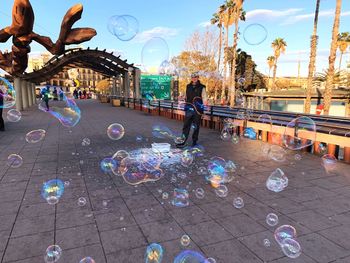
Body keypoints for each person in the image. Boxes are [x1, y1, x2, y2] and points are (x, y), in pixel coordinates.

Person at [176, 72, 207, 148]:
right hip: (189, 109)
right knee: (186, 126)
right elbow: (186, 97)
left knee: (196, 126)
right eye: (193, 77)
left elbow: (204, 98)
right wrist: (181, 98)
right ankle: (182, 141)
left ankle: (194, 141)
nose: (194, 78)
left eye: (195, 77)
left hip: (197, 110)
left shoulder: (202, 87)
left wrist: (204, 108)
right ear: (191, 78)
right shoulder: (188, 86)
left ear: (198, 78)